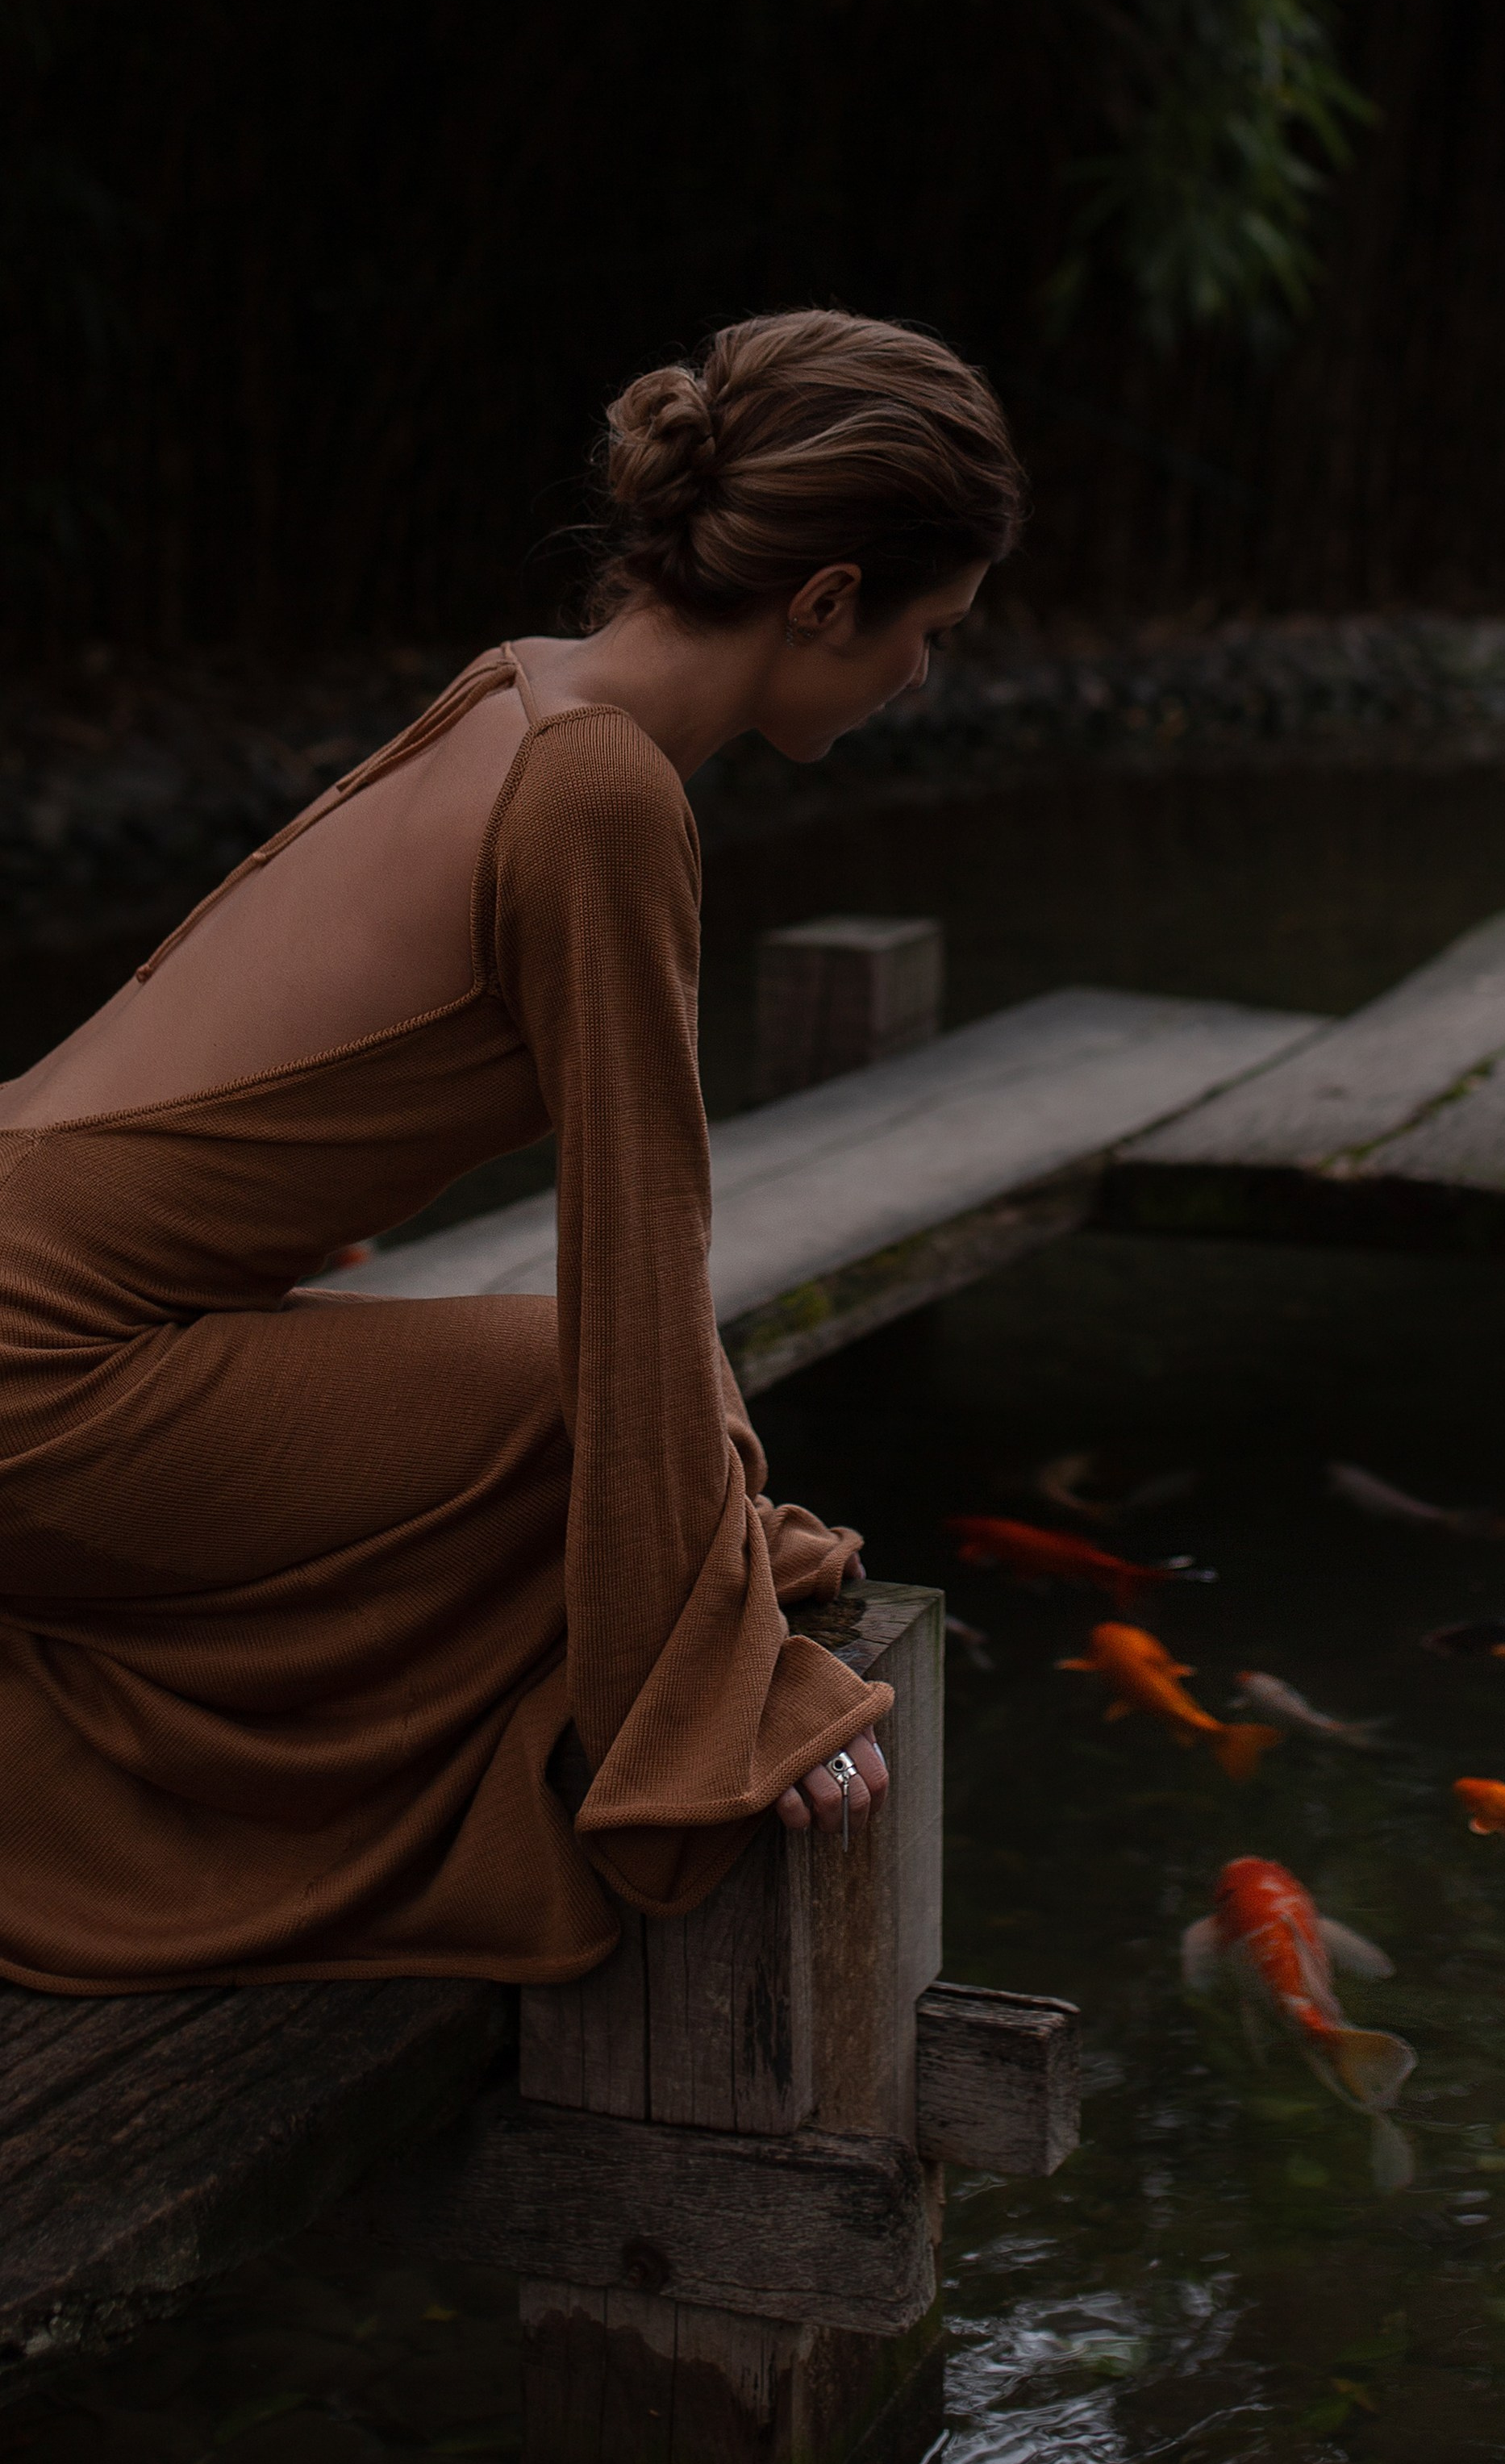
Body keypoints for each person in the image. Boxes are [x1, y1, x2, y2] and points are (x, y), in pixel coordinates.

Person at [0, 309, 1025, 1991]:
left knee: (624, 1415)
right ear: (829, 599)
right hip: (35, 1385)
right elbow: (637, 1270)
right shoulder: (602, 798)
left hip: (46, 1307)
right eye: (931, 631)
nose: (923, 676)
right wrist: (725, 1682)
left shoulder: (521, 688)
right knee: (588, 1394)